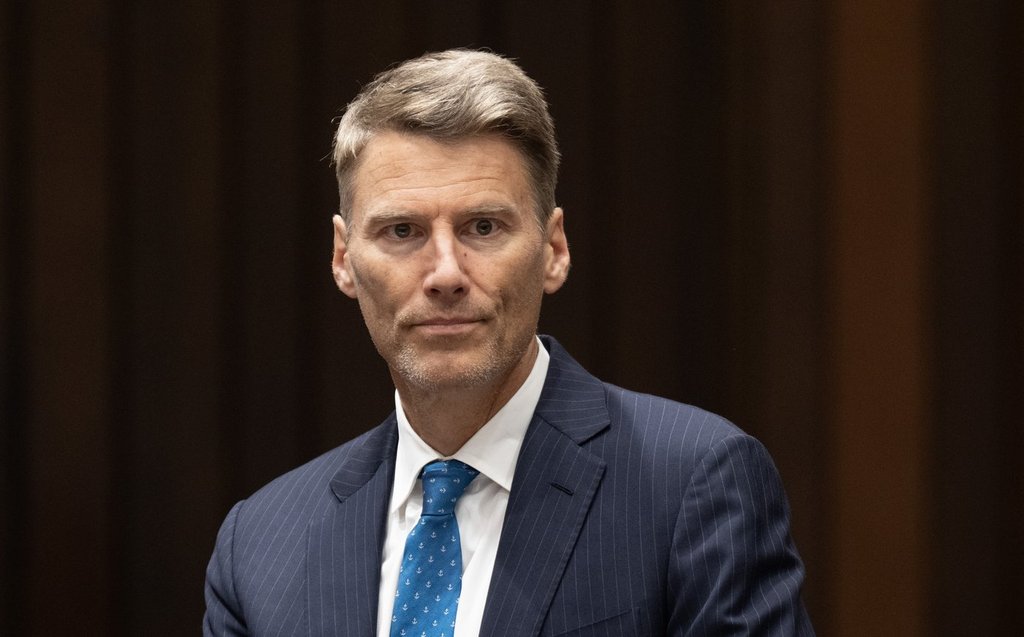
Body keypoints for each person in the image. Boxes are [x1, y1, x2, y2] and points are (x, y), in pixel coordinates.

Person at [204, 49, 814, 636]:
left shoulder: (694, 488)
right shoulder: (260, 543)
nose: (445, 273)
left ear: (553, 250)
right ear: (343, 259)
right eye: (401, 231)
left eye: (484, 227)